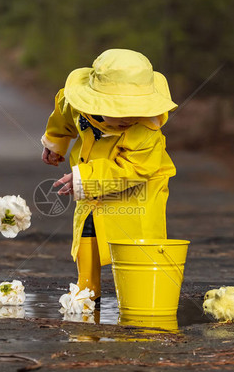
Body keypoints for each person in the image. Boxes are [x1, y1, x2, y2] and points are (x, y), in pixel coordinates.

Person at [41, 49, 177, 303]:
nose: (129, 118)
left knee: (139, 242)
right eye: (120, 110)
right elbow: (63, 117)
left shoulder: (146, 130)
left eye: (136, 110)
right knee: (88, 233)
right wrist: (55, 143)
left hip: (139, 192)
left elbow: (134, 170)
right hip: (92, 188)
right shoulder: (76, 105)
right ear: (94, 102)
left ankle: (139, 297)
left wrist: (85, 178)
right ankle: (86, 291)